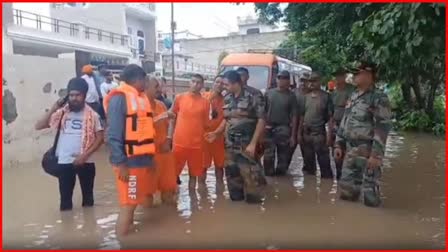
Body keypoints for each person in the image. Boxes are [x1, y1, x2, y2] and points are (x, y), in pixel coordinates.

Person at [103, 64, 157, 236]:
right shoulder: (119, 98)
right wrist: (122, 164)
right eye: (145, 79)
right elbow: (113, 135)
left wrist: (150, 158)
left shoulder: (140, 97)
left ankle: (129, 236)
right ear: (137, 80)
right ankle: (122, 240)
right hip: (129, 164)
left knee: (132, 202)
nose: (147, 83)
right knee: (128, 204)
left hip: (140, 160)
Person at [35, 77, 104, 211]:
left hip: (86, 162)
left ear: (84, 96)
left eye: (78, 95)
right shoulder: (61, 113)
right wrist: (54, 107)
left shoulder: (93, 115)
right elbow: (39, 126)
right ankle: (67, 227)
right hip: (65, 162)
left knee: (88, 201)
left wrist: (84, 156)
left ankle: (88, 227)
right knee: (65, 203)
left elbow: (100, 138)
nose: (74, 98)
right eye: (71, 95)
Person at [334, 62, 392, 207]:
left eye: (356, 73)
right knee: (346, 194)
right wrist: (339, 144)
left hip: (368, 151)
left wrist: (376, 155)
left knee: (370, 198)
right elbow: (345, 121)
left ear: (368, 74)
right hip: (350, 151)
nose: (353, 76)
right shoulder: (353, 95)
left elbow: (382, 128)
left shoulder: (378, 98)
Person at [205, 70, 266, 204]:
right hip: (230, 146)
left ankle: (254, 212)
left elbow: (262, 120)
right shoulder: (227, 97)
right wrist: (216, 133)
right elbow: (227, 119)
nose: (223, 87)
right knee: (233, 178)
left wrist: (254, 143)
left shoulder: (254, 95)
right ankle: (237, 210)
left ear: (236, 83)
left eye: (226, 84)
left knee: (251, 178)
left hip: (247, 145)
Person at [168, 74, 211, 189]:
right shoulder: (179, 98)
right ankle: (172, 198)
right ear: (189, 83)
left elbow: (207, 124)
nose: (195, 84)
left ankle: (194, 203)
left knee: (194, 175)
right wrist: (169, 137)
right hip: (179, 143)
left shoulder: (205, 102)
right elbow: (171, 115)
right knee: (173, 173)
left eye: (198, 82)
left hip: (197, 145)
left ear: (202, 85)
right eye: (193, 81)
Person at [145, 76, 177, 204]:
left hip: (165, 152)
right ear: (146, 87)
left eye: (159, 86)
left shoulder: (161, 104)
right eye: (156, 87)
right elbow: (140, 126)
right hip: (148, 155)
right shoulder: (140, 106)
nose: (159, 89)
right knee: (147, 193)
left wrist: (169, 139)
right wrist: (162, 116)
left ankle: (170, 222)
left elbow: (170, 123)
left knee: (169, 189)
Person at [298, 72, 334, 179]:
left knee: (325, 165)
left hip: (320, 134)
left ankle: (326, 189)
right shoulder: (305, 97)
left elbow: (330, 118)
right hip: (306, 134)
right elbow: (301, 116)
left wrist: (329, 136)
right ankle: (309, 190)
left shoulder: (326, 97)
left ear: (319, 82)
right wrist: (299, 134)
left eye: (314, 81)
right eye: (310, 81)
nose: (312, 83)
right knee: (308, 166)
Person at [263, 70, 298, 176]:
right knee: (268, 156)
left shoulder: (291, 96)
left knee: (283, 157)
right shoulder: (269, 93)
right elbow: (262, 113)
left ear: (288, 81)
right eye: (279, 78)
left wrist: (293, 136)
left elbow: (295, 116)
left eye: (284, 78)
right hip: (269, 128)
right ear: (276, 79)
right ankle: (270, 180)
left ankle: (281, 182)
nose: (281, 81)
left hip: (284, 128)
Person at [331, 68, 356, 180]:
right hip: (336, 125)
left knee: (349, 151)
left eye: (340, 76)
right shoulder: (334, 92)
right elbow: (330, 113)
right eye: (336, 76)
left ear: (345, 76)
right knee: (336, 152)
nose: (338, 78)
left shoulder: (351, 90)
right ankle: (339, 175)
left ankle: (348, 176)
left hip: (349, 125)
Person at [201, 75, 226, 183]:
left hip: (219, 138)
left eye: (222, 83)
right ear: (213, 83)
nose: (219, 85)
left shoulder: (226, 101)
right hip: (204, 137)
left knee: (220, 167)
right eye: (217, 82)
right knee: (203, 167)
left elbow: (227, 119)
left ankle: (220, 193)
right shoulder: (204, 97)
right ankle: (202, 195)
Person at [295, 74, 310, 174]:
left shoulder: (312, 95)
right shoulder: (293, 93)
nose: (303, 83)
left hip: (306, 129)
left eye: (305, 81)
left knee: (308, 154)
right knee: (286, 154)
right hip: (292, 127)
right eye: (301, 81)